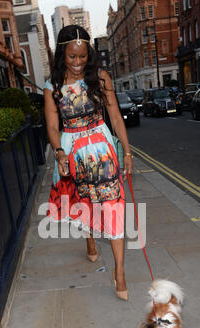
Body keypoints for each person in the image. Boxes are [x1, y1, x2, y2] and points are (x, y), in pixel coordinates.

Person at [44, 25, 133, 301]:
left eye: (83, 56)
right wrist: (59, 152)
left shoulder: (101, 77)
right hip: (72, 150)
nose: (78, 62)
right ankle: (90, 237)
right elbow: (52, 124)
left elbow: (115, 116)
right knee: (83, 204)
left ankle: (119, 272)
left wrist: (127, 152)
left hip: (101, 147)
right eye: (72, 57)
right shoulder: (52, 87)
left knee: (113, 206)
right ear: (62, 55)